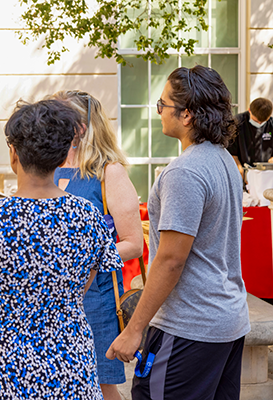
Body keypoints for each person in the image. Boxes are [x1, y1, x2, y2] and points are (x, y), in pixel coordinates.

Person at [0, 99, 124, 399]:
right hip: (73, 358)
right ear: (66, 153)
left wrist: (0, 343)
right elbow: (81, 287)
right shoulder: (87, 216)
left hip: (9, 364)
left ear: (13, 153)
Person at [107, 65, 250, 400]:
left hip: (190, 327)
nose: (158, 112)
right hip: (226, 321)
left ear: (186, 115)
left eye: (162, 105)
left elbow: (171, 260)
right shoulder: (225, 161)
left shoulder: (184, 172)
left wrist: (134, 329)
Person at [50, 90, 143, 400]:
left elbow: (133, 243)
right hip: (54, 298)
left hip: (96, 299)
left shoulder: (109, 172)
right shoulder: (50, 169)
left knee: (102, 387)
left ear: (81, 125)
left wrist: (83, 257)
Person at [227, 97, 273, 177]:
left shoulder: (271, 125)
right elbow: (232, 154)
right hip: (243, 173)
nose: (259, 124)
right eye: (256, 121)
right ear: (249, 110)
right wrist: (240, 171)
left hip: (266, 175)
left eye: (262, 122)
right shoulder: (236, 123)